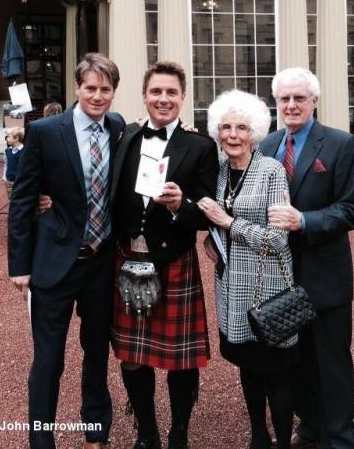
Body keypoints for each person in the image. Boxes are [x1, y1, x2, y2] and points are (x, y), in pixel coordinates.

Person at [7, 52, 125, 449]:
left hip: (100, 262)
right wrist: (18, 266)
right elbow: (24, 200)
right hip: (54, 263)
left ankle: (96, 429)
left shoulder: (119, 128)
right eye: (90, 88)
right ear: (77, 88)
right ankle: (41, 440)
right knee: (48, 360)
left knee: (96, 354)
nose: (97, 96)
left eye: (105, 89)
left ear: (113, 92)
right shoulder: (44, 131)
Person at [110, 61, 218, 449]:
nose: (163, 99)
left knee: (181, 358)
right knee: (131, 355)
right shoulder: (125, 136)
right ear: (144, 96)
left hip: (172, 259)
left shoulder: (201, 145)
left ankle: (179, 433)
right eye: (156, 91)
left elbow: (209, 209)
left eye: (172, 92)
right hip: (126, 257)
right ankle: (148, 433)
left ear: (183, 98)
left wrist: (180, 206)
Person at [260, 68, 354, 449]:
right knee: (296, 360)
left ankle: (341, 438)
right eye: (284, 99)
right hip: (279, 277)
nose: (291, 105)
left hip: (325, 275)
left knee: (331, 362)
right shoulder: (267, 143)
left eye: (299, 98)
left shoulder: (340, 144)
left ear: (314, 101)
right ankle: (311, 425)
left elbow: (352, 210)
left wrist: (303, 220)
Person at [197, 90, 298, 449]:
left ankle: (282, 440)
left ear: (254, 131)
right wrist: (213, 237)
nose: (233, 135)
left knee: (276, 375)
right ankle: (259, 435)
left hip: (267, 289)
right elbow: (212, 220)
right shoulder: (220, 170)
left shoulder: (271, 171)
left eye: (241, 127)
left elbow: (278, 240)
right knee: (248, 368)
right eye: (226, 127)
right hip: (232, 288)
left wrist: (229, 223)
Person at [2, 127, 24, 199]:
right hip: (9, 181)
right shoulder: (7, 151)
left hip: (21, 182)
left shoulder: (24, 151)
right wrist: (4, 177)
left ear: (16, 138)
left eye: (8, 137)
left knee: (21, 200)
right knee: (11, 200)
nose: (7, 139)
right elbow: (6, 164)